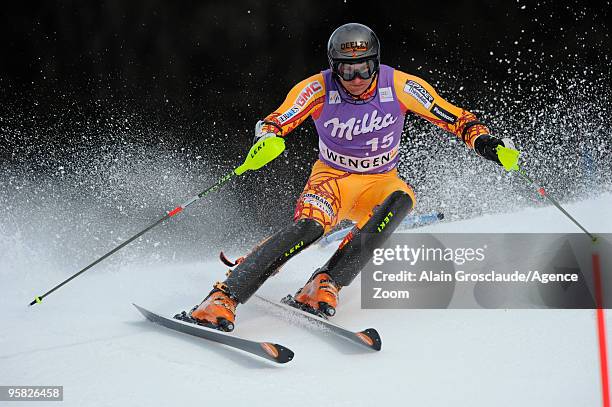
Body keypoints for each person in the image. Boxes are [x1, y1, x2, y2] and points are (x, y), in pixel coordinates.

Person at [180, 23, 517, 332]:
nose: (357, 78)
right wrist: (267, 139)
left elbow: (455, 117)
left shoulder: (399, 85)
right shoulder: (317, 87)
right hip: (332, 181)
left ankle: (324, 284)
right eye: (347, 69)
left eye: (365, 68)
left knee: (401, 199)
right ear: (333, 66)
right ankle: (221, 299)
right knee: (311, 228)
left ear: (376, 62)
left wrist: (485, 142)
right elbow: (276, 120)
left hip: (379, 181)